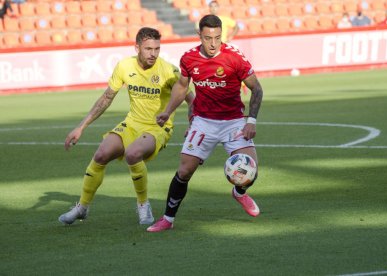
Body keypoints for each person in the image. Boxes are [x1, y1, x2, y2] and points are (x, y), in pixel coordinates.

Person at [58, 27, 194, 226]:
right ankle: (82, 207)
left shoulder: (169, 71)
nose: (153, 54)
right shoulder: (124, 66)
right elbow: (106, 98)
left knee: (133, 154)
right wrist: (81, 127)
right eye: (148, 49)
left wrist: (193, 123)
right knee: (101, 155)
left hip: (157, 128)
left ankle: (143, 204)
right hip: (131, 124)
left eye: (157, 49)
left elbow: (192, 100)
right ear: (137, 47)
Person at [147, 14, 264, 232]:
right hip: (203, 122)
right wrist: (167, 111)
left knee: (252, 170)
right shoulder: (189, 58)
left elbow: (257, 89)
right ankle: (167, 219)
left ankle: (239, 193)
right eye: (208, 38)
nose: (213, 44)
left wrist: (251, 121)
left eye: (218, 38)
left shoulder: (235, 58)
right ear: (199, 35)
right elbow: (182, 87)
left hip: (234, 122)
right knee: (184, 171)